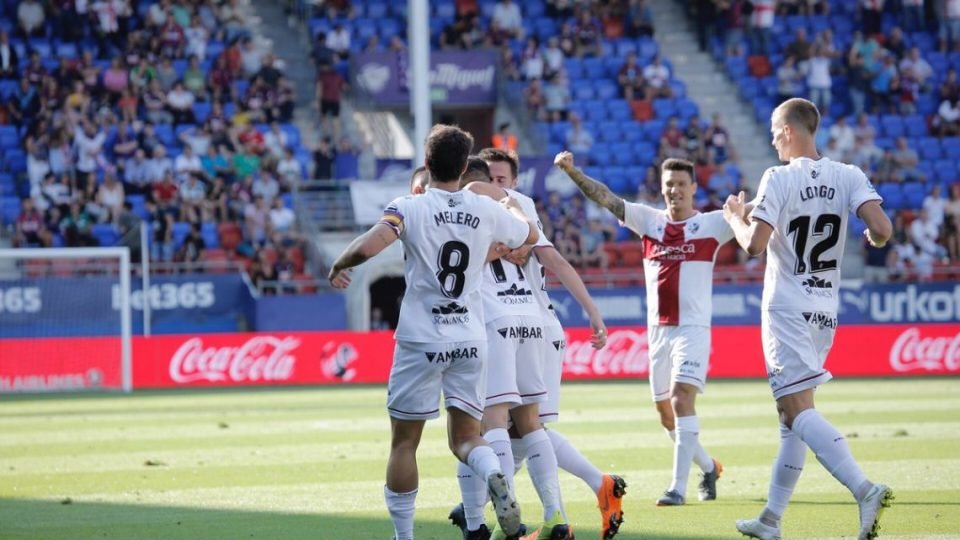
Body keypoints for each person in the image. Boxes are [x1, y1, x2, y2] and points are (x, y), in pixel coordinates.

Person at [327, 125, 539, 540]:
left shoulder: (411, 206)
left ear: (427, 163)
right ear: (464, 167)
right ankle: (495, 473)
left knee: (404, 443)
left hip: (422, 339)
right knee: (466, 437)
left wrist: (340, 263)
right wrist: (508, 201)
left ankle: (404, 536)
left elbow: (371, 245)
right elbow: (528, 234)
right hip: (470, 338)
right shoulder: (484, 209)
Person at [720, 98, 893, 540]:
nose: (773, 138)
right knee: (791, 413)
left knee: (796, 409)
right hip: (823, 311)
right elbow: (883, 228)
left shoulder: (778, 177)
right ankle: (771, 519)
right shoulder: (848, 175)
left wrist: (735, 219)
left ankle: (864, 488)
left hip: (787, 307)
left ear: (792, 130)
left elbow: (754, 245)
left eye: (776, 130)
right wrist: (872, 235)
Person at [556, 152, 729, 508]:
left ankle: (677, 488)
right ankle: (709, 467)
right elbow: (605, 198)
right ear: (662, 189)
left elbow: (760, 208)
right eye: (669, 185)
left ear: (694, 188)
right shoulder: (648, 221)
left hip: (692, 329)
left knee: (682, 401)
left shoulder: (713, 224)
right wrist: (573, 172)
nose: (675, 190)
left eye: (682, 184)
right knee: (666, 415)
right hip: (658, 332)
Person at [483, 148, 625, 539]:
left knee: (513, 424)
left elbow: (555, 260)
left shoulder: (518, 206)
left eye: (501, 179)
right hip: (529, 325)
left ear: (513, 182)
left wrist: (593, 312)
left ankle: (493, 510)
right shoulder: (501, 207)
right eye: (488, 178)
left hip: (528, 325)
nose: (495, 185)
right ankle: (582, 496)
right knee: (524, 428)